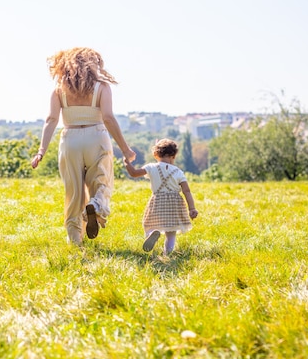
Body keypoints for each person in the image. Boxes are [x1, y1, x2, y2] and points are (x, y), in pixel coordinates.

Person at [31, 47, 136, 245]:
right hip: (96, 137)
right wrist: (125, 148)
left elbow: (51, 119)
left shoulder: (59, 89)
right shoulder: (102, 87)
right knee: (102, 182)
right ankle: (96, 205)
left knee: (73, 191)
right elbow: (108, 118)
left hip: (70, 139)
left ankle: (75, 241)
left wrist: (41, 151)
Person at [124, 139, 198, 255]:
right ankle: (167, 253)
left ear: (156, 154)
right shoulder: (178, 172)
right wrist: (192, 208)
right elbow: (186, 191)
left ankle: (152, 234)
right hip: (174, 205)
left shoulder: (151, 167)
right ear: (173, 156)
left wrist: (127, 163)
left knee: (150, 223)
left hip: (158, 201)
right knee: (171, 233)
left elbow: (134, 173)